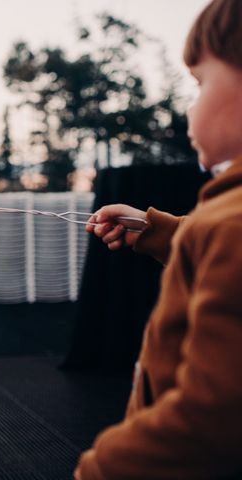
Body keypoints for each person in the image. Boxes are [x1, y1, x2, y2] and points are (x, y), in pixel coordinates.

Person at [75, 0, 242, 478]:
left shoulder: (229, 223)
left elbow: (211, 419)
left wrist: (102, 467)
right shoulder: (226, 220)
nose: (191, 105)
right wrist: (159, 230)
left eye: (201, 83)